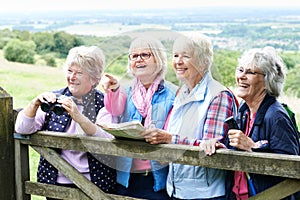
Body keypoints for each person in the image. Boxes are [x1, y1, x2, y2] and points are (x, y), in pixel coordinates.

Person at [141, 33, 237, 199]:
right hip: (176, 191)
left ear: (204, 61)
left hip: (205, 194)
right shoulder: (181, 92)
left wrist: (170, 139)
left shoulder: (218, 95)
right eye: (176, 55)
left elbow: (211, 149)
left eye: (185, 56)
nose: (178, 61)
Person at [15, 46, 117, 199]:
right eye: (70, 71)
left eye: (79, 73)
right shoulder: (55, 99)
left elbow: (107, 139)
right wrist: (34, 104)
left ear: (94, 78)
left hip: (95, 183)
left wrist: (79, 117)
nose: (72, 77)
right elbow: (22, 129)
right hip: (56, 182)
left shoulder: (104, 103)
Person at [202, 46, 300, 200]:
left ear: (268, 80)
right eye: (240, 70)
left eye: (250, 72)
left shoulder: (276, 117)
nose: (241, 76)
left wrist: (252, 147)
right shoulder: (243, 111)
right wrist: (219, 145)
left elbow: (292, 167)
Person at [101, 36, 177, 200]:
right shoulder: (125, 90)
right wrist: (113, 90)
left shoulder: (173, 94)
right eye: (134, 56)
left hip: (156, 178)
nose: (139, 60)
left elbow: (174, 132)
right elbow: (113, 110)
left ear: (158, 59)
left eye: (145, 55)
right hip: (126, 176)